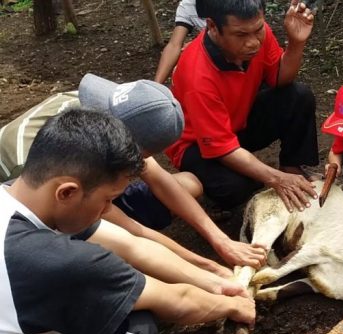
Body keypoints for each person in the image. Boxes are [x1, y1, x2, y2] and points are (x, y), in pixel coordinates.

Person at [0, 108, 255, 334]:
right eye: (108, 200)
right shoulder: (57, 261)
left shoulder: (17, 199)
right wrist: (234, 305)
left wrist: (215, 282)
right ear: (67, 192)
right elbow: (176, 301)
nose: (108, 211)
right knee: (136, 329)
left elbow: (133, 245)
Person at [0, 73, 267, 276]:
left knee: (188, 184)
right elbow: (130, 231)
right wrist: (202, 267)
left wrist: (220, 240)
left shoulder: (108, 113)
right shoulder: (49, 167)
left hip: (87, 181)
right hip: (35, 206)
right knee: (101, 253)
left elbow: (161, 180)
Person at [164, 0, 320, 214]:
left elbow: (279, 79)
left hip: (237, 122)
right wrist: (276, 179)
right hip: (196, 144)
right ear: (212, 26)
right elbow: (220, 148)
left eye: (258, 30)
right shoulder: (197, 75)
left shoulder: (257, 32)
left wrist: (296, 43)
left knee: (298, 96)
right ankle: (211, 191)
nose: (253, 43)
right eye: (240, 35)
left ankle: (291, 166)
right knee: (237, 187)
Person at [154, 0, 206, 84]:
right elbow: (174, 45)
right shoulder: (188, 5)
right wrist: (156, 86)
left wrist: (197, 45)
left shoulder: (230, 5)